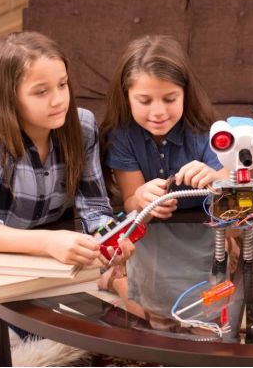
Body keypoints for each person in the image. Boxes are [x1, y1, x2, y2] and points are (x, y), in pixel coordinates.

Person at [0, 31, 126, 345]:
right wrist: (48, 242)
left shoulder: (82, 126)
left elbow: (94, 207)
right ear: (9, 97)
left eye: (62, 85)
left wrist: (111, 236)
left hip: (47, 266)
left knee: (98, 330)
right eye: (41, 92)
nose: (59, 99)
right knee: (4, 342)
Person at [100, 35, 229, 323]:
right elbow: (131, 202)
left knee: (206, 322)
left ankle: (114, 278)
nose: (158, 112)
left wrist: (216, 178)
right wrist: (141, 199)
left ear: (185, 94)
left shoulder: (205, 130)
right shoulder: (122, 136)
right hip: (153, 242)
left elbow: (232, 187)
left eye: (170, 99)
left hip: (204, 240)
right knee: (156, 322)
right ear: (126, 96)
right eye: (144, 101)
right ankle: (117, 280)